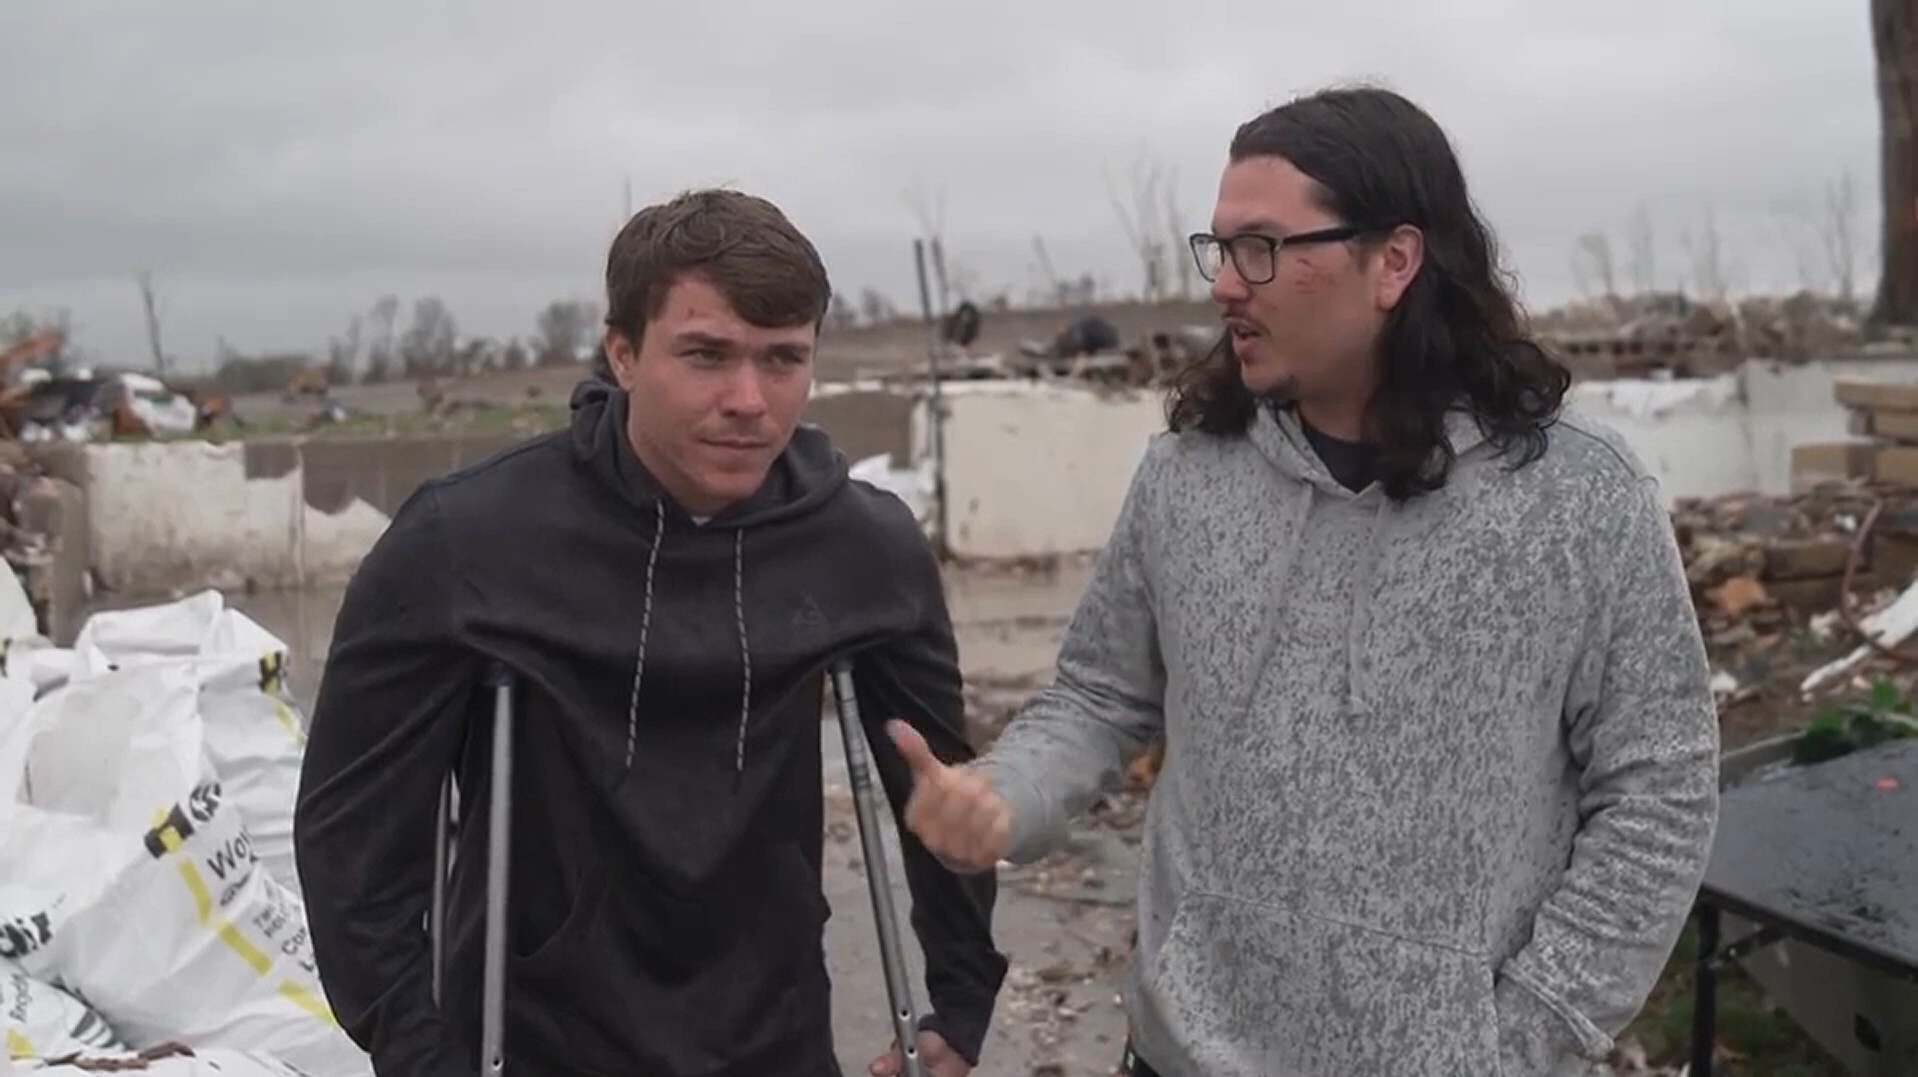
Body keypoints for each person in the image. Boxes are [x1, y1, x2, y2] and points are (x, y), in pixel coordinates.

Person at [885, 86, 1720, 1077]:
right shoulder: (1186, 476)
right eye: (1221, 248)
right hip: (1181, 1055)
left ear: (1394, 262)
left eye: (1263, 249)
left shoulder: (1578, 498)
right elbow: (1101, 699)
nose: (1226, 285)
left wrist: (1526, 1034)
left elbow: (1658, 788)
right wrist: (1004, 797)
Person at [294, 188, 1008, 1077]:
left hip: (772, 1034)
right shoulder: (465, 542)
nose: (749, 399)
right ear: (622, 353)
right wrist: (415, 1050)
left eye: (783, 359)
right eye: (706, 355)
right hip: (531, 1041)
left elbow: (937, 788)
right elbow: (354, 834)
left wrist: (963, 998)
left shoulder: (864, 548)